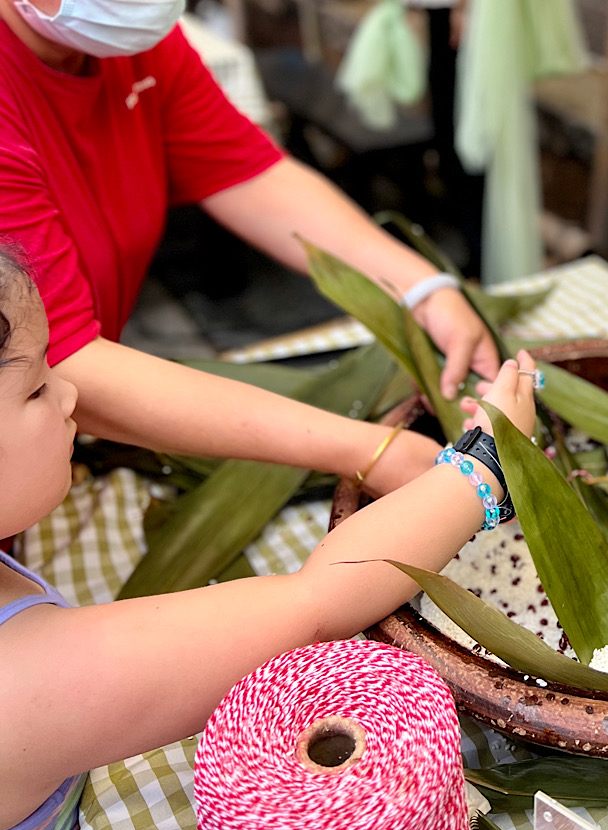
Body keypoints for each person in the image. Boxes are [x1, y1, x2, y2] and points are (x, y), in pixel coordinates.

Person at [0, 250, 537, 830]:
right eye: (35, 391)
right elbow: (319, 601)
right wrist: (482, 472)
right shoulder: (25, 682)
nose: (72, 392)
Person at [0, 0, 501, 500]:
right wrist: (367, 451)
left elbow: (244, 170)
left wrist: (422, 287)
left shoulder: (135, 48)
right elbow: (57, 358)